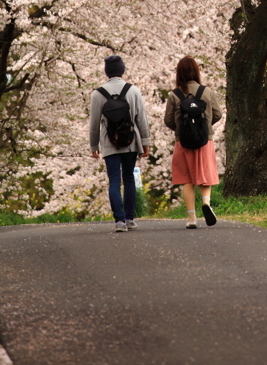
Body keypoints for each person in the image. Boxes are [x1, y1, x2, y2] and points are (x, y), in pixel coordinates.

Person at [89, 53, 151, 233]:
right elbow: (142, 120)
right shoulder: (133, 91)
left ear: (107, 72)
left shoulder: (98, 94)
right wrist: (145, 142)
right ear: (122, 70)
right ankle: (130, 218)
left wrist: (94, 146)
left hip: (109, 143)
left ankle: (119, 221)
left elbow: (94, 123)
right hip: (131, 141)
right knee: (129, 178)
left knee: (114, 180)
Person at [164, 56, 222, 228]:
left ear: (179, 73)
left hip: (183, 142)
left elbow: (168, 120)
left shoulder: (174, 95)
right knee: (205, 175)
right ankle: (205, 202)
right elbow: (218, 114)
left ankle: (191, 219)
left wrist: (183, 129)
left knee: (187, 179)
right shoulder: (207, 92)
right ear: (196, 71)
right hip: (205, 140)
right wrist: (203, 127)